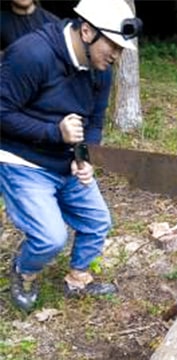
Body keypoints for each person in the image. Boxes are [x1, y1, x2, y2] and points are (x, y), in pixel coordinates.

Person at [0, 0, 142, 312]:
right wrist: (54, 132)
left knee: (97, 222)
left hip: (65, 160)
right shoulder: (32, 54)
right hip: (22, 160)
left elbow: (94, 121)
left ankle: (77, 278)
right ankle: (25, 270)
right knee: (51, 238)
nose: (117, 57)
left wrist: (86, 157)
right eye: (113, 47)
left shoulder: (100, 69)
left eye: (121, 50)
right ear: (87, 30)